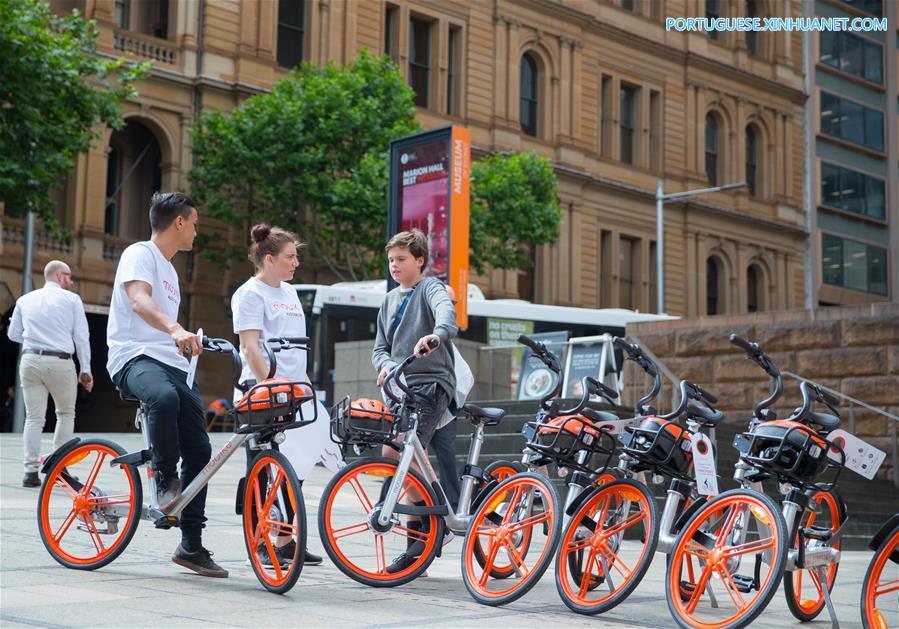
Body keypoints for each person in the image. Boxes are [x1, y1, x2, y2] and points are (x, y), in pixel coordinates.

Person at [107, 192, 227, 578]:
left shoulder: (172, 272)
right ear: (180, 222)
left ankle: (190, 545)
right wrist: (176, 328)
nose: (196, 231)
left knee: (202, 451)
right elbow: (140, 301)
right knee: (162, 396)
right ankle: (164, 478)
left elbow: (163, 325)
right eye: (194, 223)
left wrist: (188, 341)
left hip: (172, 365)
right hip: (132, 358)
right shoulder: (139, 254)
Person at [231, 223, 343, 568]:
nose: (296, 263)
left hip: (296, 389)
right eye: (290, 257)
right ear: (269, 259)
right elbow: (250, 347)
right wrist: (272, 384)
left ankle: (284, 538)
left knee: (302, 459)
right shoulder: (249, 294)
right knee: (265, 470)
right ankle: (262, 542)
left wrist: (307, 388)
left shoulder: (290, 294)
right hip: (263, 391)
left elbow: (297, 349)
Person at [372, 229, 458, 573]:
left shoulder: (431, 288)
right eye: (391, 260)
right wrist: (388, 365)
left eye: (402, 259)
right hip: (401, 386)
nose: (395, 265)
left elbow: (446, 316)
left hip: (432, 384)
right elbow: (378, 348)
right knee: (401, 457)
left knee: (398, 454)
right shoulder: (389, 300)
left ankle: (415, 550)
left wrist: (436, 336)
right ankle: (436, 524)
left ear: (419, 260)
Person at [7, 260, 93, 487]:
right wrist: (85, 369)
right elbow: (82, 337)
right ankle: (59, 468)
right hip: (60, 361)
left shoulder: (24, 300)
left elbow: (13, 334)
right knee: (65, 413)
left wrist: (34, 337)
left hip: (30, 360)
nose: (71, 281)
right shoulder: (72, 300)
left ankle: (30, 472)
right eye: (69, 276)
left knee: (34, 418)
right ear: (58, 276)